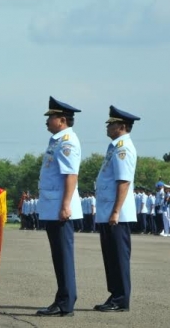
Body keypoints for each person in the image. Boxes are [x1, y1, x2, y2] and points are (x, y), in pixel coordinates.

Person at [36, 96, 82, 317]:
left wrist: (65, 205)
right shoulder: (56, 140)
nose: (47, 121)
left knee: (63, 256)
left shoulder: (67, 142)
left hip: (60, 209)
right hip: (52, 207)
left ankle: (65, 304)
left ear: (62, 120)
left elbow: (70, 176)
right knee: (59, 256)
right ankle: (63, 299)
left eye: (51, 117)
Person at [93, 105, 140, 312]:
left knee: (118, 256)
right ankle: (115, 295)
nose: (107, 127)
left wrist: (115, 211)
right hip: (109, 211)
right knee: (110, 256)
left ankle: (121, 299)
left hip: (116, 214)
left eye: (110, 124)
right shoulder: (114, 146)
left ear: (121, 126)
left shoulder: (123, 148)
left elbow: (123, 181)